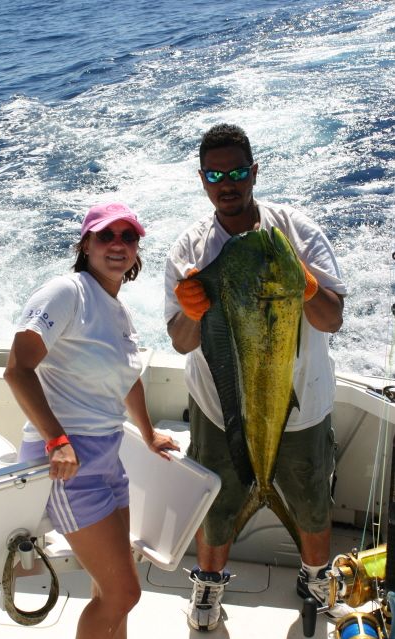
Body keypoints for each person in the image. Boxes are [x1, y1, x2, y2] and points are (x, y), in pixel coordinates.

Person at [164, 124, 348, 631]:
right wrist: (190, 310)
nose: (228, 183)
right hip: (217, 410)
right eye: (216, 174)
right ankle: (207, 586)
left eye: (238, 172)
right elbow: (181, 341)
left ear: (255, 172)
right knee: (217, 505)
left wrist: (305, 285)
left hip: (301, 405)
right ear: (202, 180)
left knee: (312, 501)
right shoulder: (189, 250)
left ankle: (316, 575)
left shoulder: (297, 233)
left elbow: (331, 320)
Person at [4, 201, 179, 639]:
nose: (118, 244)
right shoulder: (67, 292)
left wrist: (148, 432)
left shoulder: (118, 311)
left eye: (128, 237)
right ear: (86, 244)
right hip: (69, 466)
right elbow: (17, 369)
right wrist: (55, 440)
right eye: (106, 235)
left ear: (137, 249)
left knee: (113, 588)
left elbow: (128, 379)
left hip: (108, 459)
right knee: (124, 594)